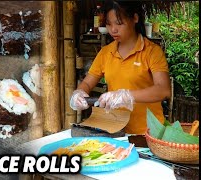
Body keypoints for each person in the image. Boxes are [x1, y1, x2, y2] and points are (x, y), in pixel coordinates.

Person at [70, 0, 171, 135]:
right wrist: (79, 93)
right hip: (116, 130)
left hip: (147, 133)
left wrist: (127, 96)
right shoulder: (106, 52)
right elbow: (88, 82)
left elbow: (163, 90)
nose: (113, 29)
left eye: (119, 23)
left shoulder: (152, 51)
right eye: (109, 24)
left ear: (135, 18)